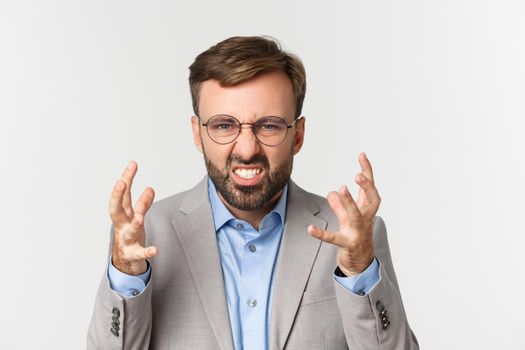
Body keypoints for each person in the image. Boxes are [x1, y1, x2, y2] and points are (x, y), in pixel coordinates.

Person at [87, 35, 419, 350]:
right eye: (224, 125)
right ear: (197, 134)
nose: (247, 149)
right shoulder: (147, 236)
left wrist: (359, 271)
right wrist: (126, 275)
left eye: (269, 125)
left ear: (298, 135)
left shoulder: (352, 236)